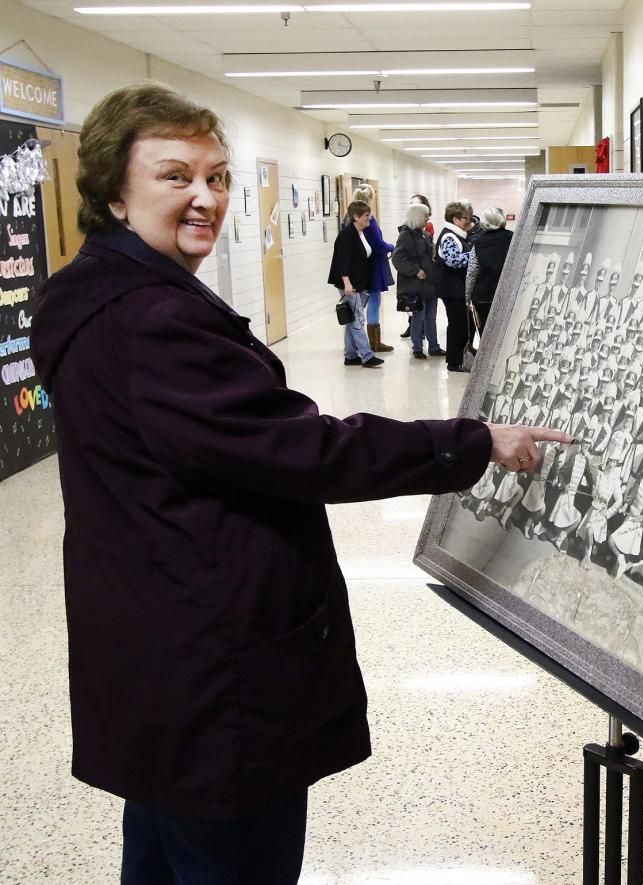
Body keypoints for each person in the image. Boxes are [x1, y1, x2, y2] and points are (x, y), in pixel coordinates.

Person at [29, 82, 570, 885]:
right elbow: (305, 450)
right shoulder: (153, 320)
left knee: (161, 852)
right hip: (213, 668)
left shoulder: (86, 293)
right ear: (114, 188)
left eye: (217, 176)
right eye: (175, 176)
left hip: (150, 651)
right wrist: (472, 440)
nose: (205, 197)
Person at [329, 200, 383, 368]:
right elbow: (342, 261)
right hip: (349, 284)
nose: (369, 218)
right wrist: (347, 283)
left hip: (358, 283)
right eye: (366, 216)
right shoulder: (347, 235)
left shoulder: (360, 233)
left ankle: (351, 355)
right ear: (356, 217)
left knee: (352, 318)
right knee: (358, 318)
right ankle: (367, 356)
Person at [392, 201, 440, 360]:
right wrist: (415, 270)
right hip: (416, 284)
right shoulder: (406, 235)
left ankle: (434, 346)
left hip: (429, 283)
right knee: (418, 317)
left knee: (431, 317)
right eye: (426, 216)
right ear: (418, 217)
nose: (428, 218)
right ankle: (417, 348)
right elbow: (398, 259)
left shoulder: (424, 233)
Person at [351, 184, 395, 354]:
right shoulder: (369, 220)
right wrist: (392, 246)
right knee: (374, 302)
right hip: (373, 265)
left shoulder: (351, 218)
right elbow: (378, 244)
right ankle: (374, 343)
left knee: (360, 304)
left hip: (361, 264)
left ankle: (359, 342)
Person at [432, 200, 475, 373]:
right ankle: (454, 361)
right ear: (455, 219)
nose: (469, 221)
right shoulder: (449, 236)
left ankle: (457, 358)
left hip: (455, 288)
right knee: (457, 324)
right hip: (451, 289)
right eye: (466, 218)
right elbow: (453, 260)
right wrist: (475, 255)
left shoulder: (457, 235)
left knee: (460, 324)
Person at [464, 207, 513, 343]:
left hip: (484, 297)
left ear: (484, 223)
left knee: (486, 336)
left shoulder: (478, 242)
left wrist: (468, 298)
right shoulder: (514, 238)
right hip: (507, 295)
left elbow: (472, 273)